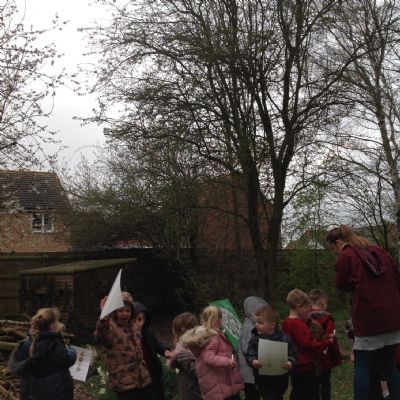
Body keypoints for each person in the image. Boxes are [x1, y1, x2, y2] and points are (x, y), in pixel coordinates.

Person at [326, 225, 400, 400]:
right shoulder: (378, 250)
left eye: (333, 249)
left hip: (369, 318)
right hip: (392, 316)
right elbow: (396, 276)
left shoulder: (347, 255)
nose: (335, 252)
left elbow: (341, 284)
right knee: (390, 364)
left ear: (339, 242)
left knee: (363, 365)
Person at [94, 292, 158, 400]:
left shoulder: (133, 326)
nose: (125, 314)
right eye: (121, 311)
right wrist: (103, 317)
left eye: (128, 310)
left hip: (142, 379)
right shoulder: (110, 328)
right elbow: (100, 335)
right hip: (123, 382)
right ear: (115, 312)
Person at [8, 307, 76, 400]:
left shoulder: (25, 345)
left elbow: (19, 363)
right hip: (56, 394)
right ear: (52, 325)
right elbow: (70, 358)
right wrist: (70, 349)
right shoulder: (55, 347)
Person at [181, 305, 244, 400]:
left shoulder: (206, 335)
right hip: (220, 385)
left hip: (216, 383)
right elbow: (208, 357)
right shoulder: (213, 337)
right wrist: (227, 361)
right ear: (218, 319)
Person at [281, 289, 333, 400]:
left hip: (294, 367)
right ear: (299, 307)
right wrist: (327, 342)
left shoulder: (286, 323)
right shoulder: (299, 324)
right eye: (306, 307)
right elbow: (309, 344)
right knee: (311, 394)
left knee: (297, 392)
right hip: (306, 367)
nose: (308, 310)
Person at [245, 305, 296, 400]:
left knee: (278, 396)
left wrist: (290, 362)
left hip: (281, 379)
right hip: (264, 381)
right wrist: (253, 361)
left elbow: (293, 353)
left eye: (260, 322)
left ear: (272, 325)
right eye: (256, 322)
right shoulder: (255, 340)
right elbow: (249, 354)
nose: (256, 325)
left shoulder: (284, 338)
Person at [133, 301, 171, 400]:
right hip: (140, 375)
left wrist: (164, 351)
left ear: (144, 320)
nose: (137, 323)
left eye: (140, 319)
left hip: (153, 370)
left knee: (159, 395)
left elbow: (157, 345)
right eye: (134, 320)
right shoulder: (127, 338)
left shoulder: (148, 332)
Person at [309, 288, 341, 400]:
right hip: (324, 358)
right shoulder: (327, 320)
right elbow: (331, 340)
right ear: (323, 302)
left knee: (312, 385)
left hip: (309, 358)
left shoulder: (304, 318)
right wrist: (337, 357)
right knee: (325, 384)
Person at [238, 296, 268, 400]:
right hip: (249, 373)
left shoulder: (254, 325)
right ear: (251, 313)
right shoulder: (248, 328)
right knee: (252, 396)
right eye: (260, 313)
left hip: (254, 370)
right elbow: (247, 349)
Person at [167, 312, 202, 399]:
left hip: (193, 390)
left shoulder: (189, 347)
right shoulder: (183, 353)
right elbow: (199, 373)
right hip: (193, 393)